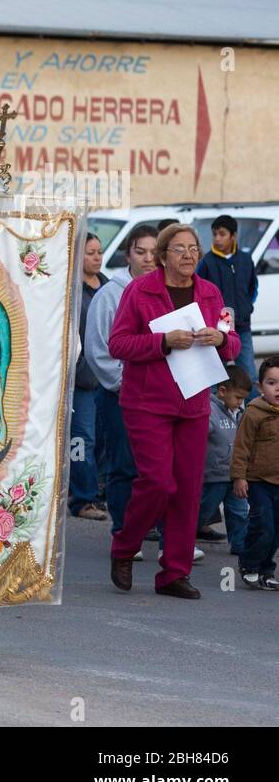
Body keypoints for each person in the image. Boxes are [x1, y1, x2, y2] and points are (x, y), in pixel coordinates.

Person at [108, 222, 239, 600]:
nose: (188, 254)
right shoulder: (140, 291)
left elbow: (230, 340)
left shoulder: (211, 293)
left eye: (193, 248)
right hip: (147, 402)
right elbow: (118, 344)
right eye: (179, 248)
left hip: (194, 401)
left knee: (187, 488)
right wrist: (161, 341)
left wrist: (221, 339)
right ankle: (124, 545)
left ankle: (174, 573)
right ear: (163, 256)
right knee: (158, 482)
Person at [85, 224, 157, 542]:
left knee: (155, 467)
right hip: (121, 394)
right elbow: (98, 349)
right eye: (140, 252)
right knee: (123, 463)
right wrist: (123, 382)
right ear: (128, 254)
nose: (148, 259)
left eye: (155, 252)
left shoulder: (166, 291)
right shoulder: (111, 294)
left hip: (160, 395)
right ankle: (123, 530)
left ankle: (154, 527)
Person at [70, 232, 109, 520]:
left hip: (108, 376)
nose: (96, 257)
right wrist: (81, 366)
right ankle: (82, 498)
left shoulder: (108, 288)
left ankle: (99, 489)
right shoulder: (71, 290)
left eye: (99, 252)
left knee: (104, 437)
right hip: (82, 377)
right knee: (81, 440)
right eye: (90, 252)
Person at [198, 214, 259, 392]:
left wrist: (247, 306)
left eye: (222, 234)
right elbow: (199, 293)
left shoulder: (246, 259)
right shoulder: (206, 262)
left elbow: (253, 287)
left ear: (233, 236)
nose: (217, 239)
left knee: (249, 373)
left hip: (242, 324)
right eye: (214, 234)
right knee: (216, 374)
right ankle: (214, 417)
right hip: (219, 325)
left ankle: (251, 416)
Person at [234, 357, 279, 590]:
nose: (278, 388)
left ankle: (266, 569)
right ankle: (249, 563)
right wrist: (239, 477)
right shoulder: (254, 413)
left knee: (276, 531)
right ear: (260, 387)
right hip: (258, 481)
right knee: (263, 526)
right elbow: (241, 447)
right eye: (272, 382)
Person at [201, 365, 252, 555]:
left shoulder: (238, 413)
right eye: (238, 398)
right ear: (222, 391)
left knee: (239, 512)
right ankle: (183, 540)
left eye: (243, 399)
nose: (240, 403)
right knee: (202, 511)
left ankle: (240, 545)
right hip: (212, 477)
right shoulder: (210, 411)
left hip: (234, 475)